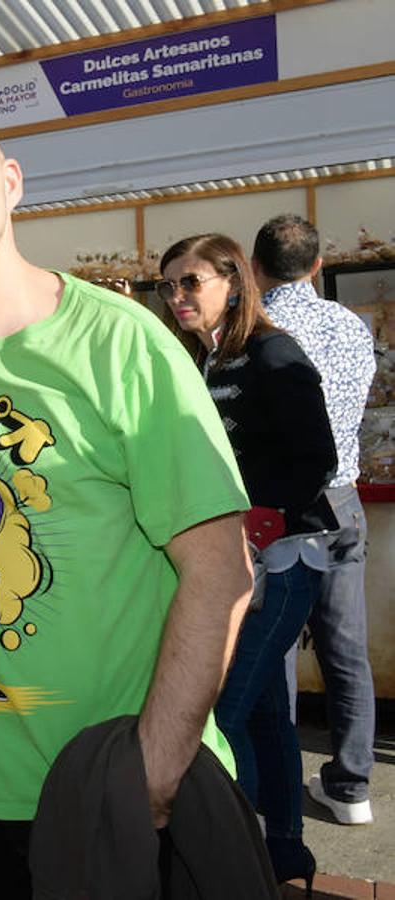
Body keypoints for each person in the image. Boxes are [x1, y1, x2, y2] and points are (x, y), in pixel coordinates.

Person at [0, 102, 253, 898]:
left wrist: (152, 774)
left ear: (11, 183)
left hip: (135, 794)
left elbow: (221, 572)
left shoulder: (124, 343)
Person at [161, 232, 337, 889]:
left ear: (233, 282)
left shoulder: (272, 351)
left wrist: (262, 519)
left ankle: (231, 865)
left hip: (283, 563)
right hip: (242, 565)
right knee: (263, 713)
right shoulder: (204, 359)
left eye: (191, 282)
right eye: (169, 284)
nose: (177, 296)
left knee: (221, 716)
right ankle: (282, 857)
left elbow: (317, 453)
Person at [252, 214, 378, 827]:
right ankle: (352, 784)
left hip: (280, 504)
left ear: (253, 268)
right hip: (344, 497)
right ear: (318, 266)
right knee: (346, 647)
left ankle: (275, 777)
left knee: (272, 643)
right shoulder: (352, 325)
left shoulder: (259, 330)